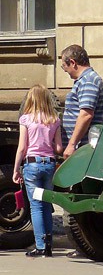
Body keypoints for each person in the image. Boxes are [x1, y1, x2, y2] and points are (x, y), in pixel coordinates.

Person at [12, 85, 63, 257]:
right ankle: (49, 246)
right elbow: (58, 148)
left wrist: (15, 170)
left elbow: (21, 148)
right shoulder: (54, 119)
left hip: (32, 165)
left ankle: (40, 246)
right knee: (47, 205)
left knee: (36, 207)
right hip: (49, 165)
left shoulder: (26, 119)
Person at [59, 44, 103, 159]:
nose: (65, 70)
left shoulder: (88, 81)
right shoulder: (84, 80)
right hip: (80, 148)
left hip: (83, 149)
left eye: (64, 66)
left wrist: (72, 144)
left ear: (73, 62)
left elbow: (86, 115)